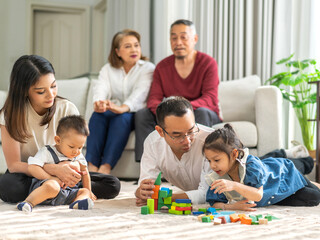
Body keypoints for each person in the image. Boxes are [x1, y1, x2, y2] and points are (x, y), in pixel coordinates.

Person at [0, 55, 120, 204]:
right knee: (8, 187)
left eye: (53, 86)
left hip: (66, 169)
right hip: (29, 173)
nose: (51, 95)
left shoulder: (67, 108)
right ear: (24, 91)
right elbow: (14, 165)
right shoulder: (9, 115)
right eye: (40, 91)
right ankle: (65, 192)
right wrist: (52, 170)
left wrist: (68, 169)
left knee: (113, 184)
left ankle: (52, 192)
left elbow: (76, 153)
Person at [134, 96, 257, 211]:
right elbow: (146, 185)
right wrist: (142, 192)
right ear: (160, 131)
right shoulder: (153, 142)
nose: (187, 140)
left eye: (191, 131)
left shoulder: (211, 143)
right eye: (177, 135)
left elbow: (206, 194)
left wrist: (165, 199)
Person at [134, 19, 222, 162]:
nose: (178, 42)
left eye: (183, 37)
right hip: (172, 114)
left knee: (202, 112)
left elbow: (210, 98)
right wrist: (169, 112)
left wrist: (181, 110)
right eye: (174, 38)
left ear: (195, 39)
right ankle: (148, 166)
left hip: (199, 111)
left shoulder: (208, 63)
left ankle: (198, 163)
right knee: (142, 114)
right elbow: (153, 99)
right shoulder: (162, 66)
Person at [203, 124, 320, 210]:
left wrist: (234, 185)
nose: (212, 165)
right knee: (264, 166)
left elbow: (257, 195)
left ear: (234, 154)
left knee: (316, 197)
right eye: (209, 160)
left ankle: (306, 179)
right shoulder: (218, 176)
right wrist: (232, 206)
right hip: (268, 190)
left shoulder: (251, 166)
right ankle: (283, 193)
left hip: (284, 174)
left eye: (217, 160)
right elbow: (215, 203)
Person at [86, 30, 155, 174]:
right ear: (117, 51)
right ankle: (91, 167)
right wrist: (99, 102)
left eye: (136, 45)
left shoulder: (147, 68)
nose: (134, 49)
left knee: (121, 119)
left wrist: (122, 108)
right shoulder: (108, 69)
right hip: (113, 108)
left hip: (134, 112)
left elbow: (140, 93)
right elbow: (101, 87)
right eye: (128, 46)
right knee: (97, 116)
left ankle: (106, 168)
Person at [17, 115, 96, 212]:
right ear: (58, 140)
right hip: (47, 188)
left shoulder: (78, 156)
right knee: (52, 187)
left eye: (80, 147)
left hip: (68, 192)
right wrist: (50, 178)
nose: (76, 151)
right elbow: (32, 167)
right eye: (71, 147)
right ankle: (28, 202)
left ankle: (78, 203)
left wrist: (89, 190)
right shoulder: (47, 152)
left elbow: (85, 172)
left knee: (85, 192)